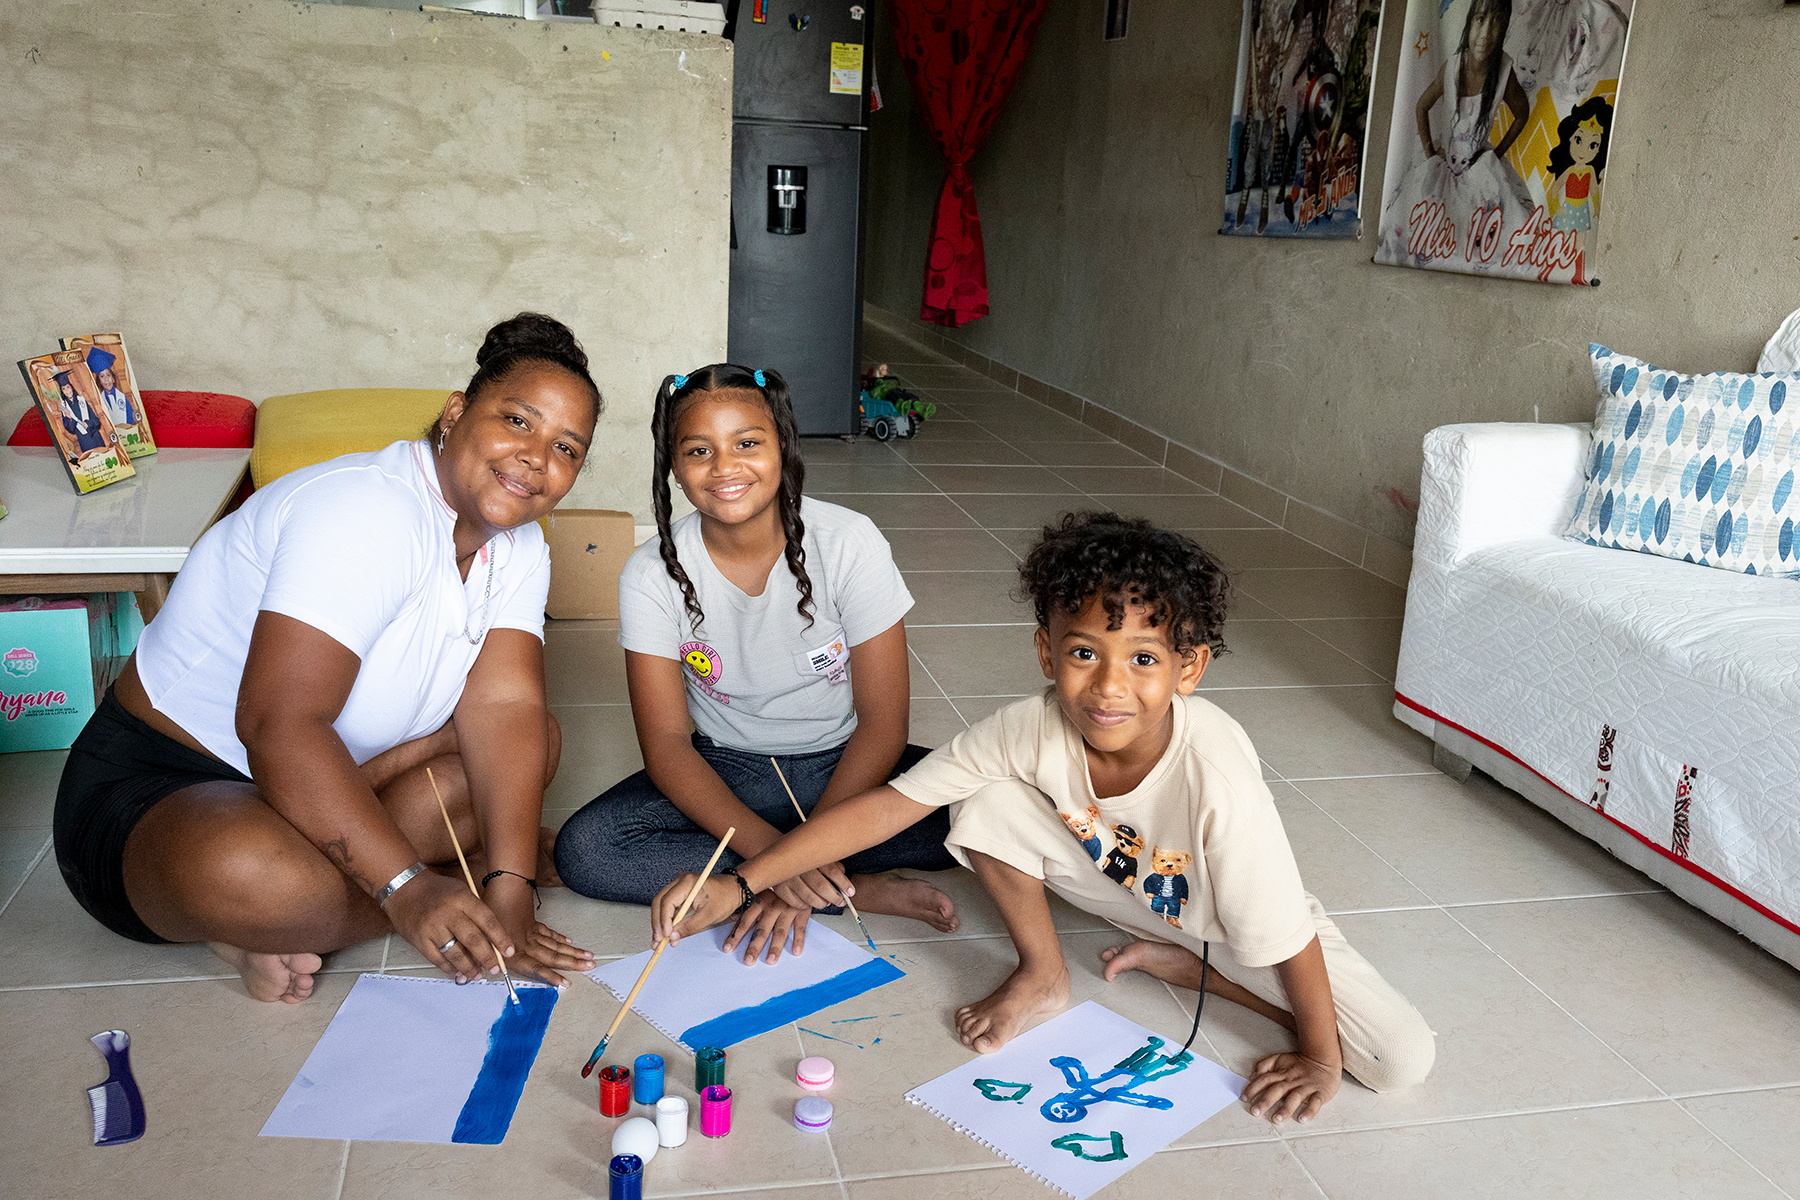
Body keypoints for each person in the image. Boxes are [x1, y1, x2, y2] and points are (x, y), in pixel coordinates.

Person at [652, 513, 1435, 1124]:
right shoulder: (1029, 725)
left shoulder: (1216, 771)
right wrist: (744, 883)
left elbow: (1287, 937)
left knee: (1400, 1061)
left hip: (1233, 923)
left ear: (1188, 668)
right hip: (1126, 889)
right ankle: (1043, 974)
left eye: (1143, 659)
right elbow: (892, 805)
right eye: (1085, 652)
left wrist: (1323, 1059)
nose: (1108, 687)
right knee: (982, 797)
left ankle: (1195, 973)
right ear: (1045, 651)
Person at [53, 313, 601, 1003]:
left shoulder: (517, 544)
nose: (536, 456)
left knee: (529, 743)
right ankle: (323, 908)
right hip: (170, 794)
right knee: (260, 875)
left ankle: (318, 916)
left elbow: (507, 707)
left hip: (337, 778)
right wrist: (407, 889)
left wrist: (513, 894)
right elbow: (278, 725)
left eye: (566, 447)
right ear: (456, 412)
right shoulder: (365, 512)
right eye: (517, 421)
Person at [553, 364, 960, 962]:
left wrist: (780, 864)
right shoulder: (650, 574)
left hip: (849, 767)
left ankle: (797, 880)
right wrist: (778, 865)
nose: (725, 467)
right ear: (672, 464)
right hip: (730, 771)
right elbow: (666, 744)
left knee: (995, 809)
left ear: (782, 445)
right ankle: (850, 888)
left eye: (747, 443)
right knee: (587, 852)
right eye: (699, 450)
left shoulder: (849, 541)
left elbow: (882, 724)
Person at [1377, 0, 1533, 269]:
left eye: (1496, 22)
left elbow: (1522, 114)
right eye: (1480, 20)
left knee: (1501, 235)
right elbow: (1421, 106)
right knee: (1418, 228)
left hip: (1480, 169)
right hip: (1445, 167)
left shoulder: (1503, 74)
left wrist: (1496, 154)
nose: (1486, 34)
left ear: (1505, 26)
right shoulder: (1451, 68)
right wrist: (1429, 151)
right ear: (1469, 22)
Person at [1546, 97, 1611, 286]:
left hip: (1582, 209)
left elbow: (1594, 192)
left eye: (1593, 145)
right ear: (1570, 139)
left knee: (1579, 244)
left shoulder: (1591, 171)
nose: (1583, 150)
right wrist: (1556, 208)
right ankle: (1554, 269)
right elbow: (1555, 188)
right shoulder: (1569, 170)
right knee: (1561, 240)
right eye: (1579, 140)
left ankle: (1577, 272)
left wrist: (1597, 209)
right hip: (1567, 208)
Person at [56, 371, 108, 456]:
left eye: (68, 387)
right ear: (62, 391)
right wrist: (69, 418)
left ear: (72, 387)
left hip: (95, 436)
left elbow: (96, 421)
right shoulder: (65, 408)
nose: (67, 391)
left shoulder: (81, 400)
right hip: (84, 440)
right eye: (63, 389)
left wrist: (88, 423)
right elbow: (71, 430)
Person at [87, 347, 138, 431]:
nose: (106, 379)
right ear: (99, 382)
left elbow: (131, 418)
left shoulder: (122, 397)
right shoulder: (100, 401)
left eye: (108, 375)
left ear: (113, 379)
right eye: (102, 376)